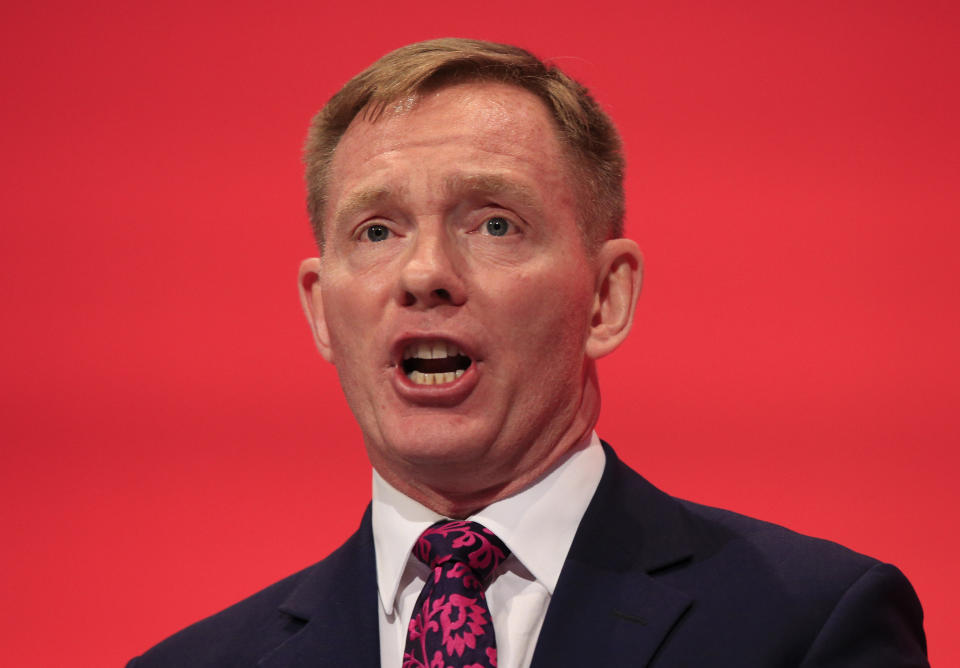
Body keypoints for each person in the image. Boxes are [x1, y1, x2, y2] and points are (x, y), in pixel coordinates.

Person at [128, 38, 929, 667]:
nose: (425, 273)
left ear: (606, 296)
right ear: (322, 312)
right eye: (377, 231)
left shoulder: (806, 625)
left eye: (494, 223)